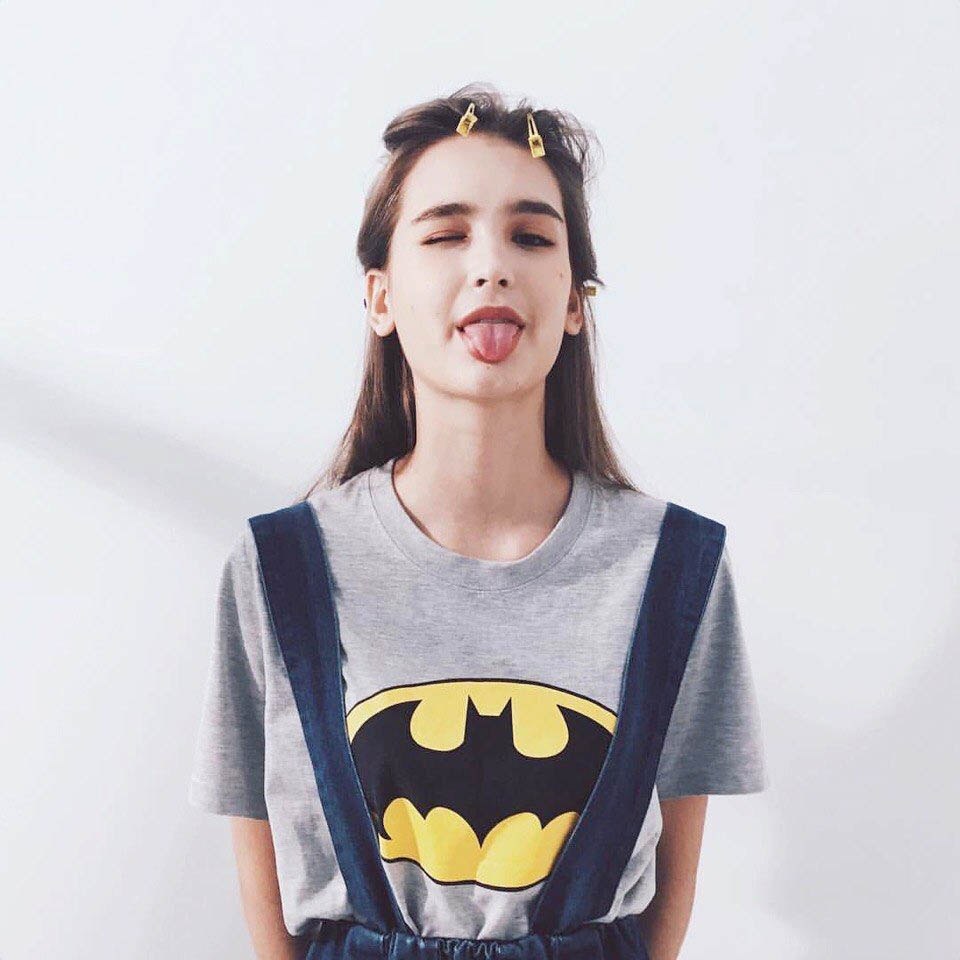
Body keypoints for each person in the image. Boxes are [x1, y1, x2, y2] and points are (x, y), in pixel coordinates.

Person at [187, 83, 768, 960]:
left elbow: (672, 884)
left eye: (531, 236)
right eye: (446, 234)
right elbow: (261, 858)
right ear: (380, 297)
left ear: (574, 302)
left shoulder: (672, 568)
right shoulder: (280, 569)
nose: (491, 264)